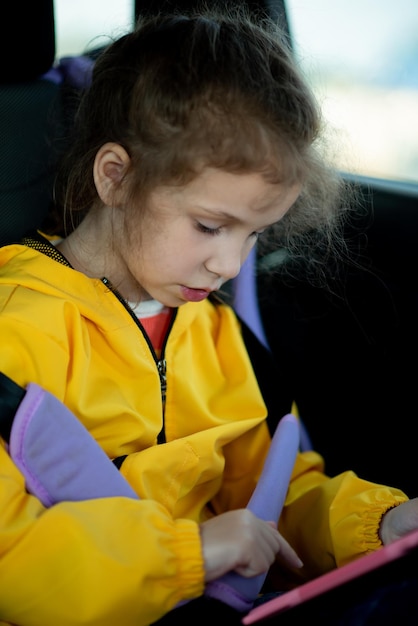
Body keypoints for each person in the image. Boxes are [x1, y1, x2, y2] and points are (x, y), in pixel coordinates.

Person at [1, 7, 418, 626]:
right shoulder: (19, 329)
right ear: (116, 177)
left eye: (254, 235)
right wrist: (187, 554)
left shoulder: (216, 332)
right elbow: (13, 559)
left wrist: (379, 523)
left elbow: (274, 492)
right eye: (209, 226)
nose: (229, 263)